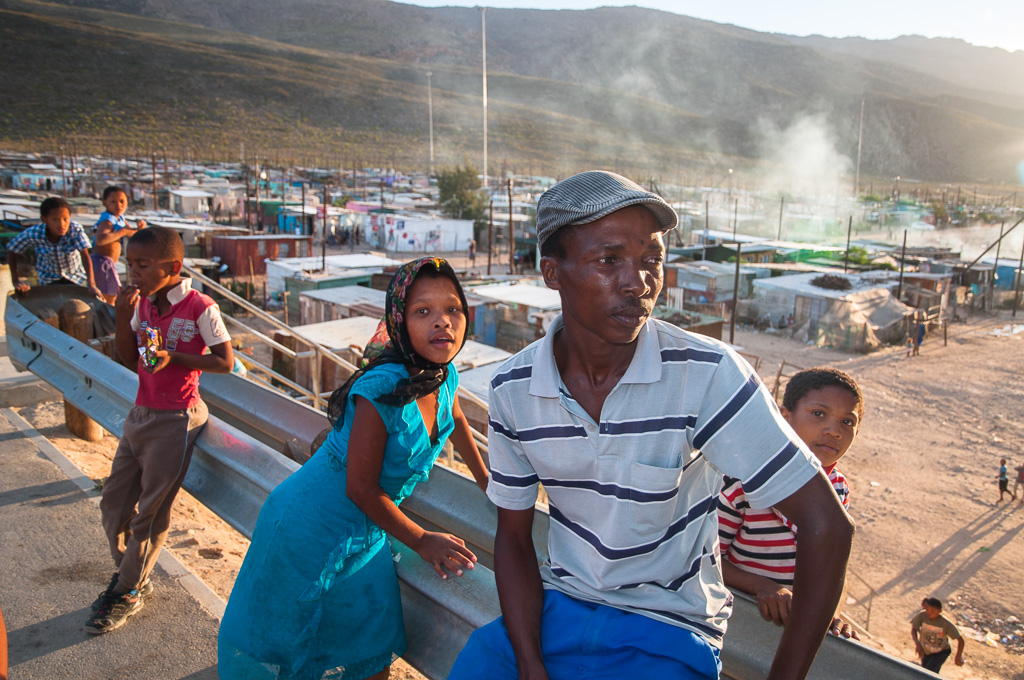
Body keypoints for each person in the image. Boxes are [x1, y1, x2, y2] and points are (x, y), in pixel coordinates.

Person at [448, 171, 855, 680]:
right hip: (558, 609)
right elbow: (512, 535)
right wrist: (530, 664)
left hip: (669, 631)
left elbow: (827, 525)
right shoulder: (513, 388)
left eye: (652, 260)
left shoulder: (707, 375)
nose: (638, 282)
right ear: (553, 272)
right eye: (609, 260)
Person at [219, 257, 489, 680]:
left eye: (453, 309)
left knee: (370, 646)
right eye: (424, 312)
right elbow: (361, 489)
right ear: (399, 319)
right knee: (294, 649)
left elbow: (455, 421)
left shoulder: (442, 374)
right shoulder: (381, 388)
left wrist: (487, 479)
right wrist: (422, 540)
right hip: (310, 526)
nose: (443, 323)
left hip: (366, 533)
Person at [86, 226, 233, 634]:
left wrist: (178, 358)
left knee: (151, 513)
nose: (133, 271)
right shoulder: (144, 305)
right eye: (130, 263)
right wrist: (120, 315)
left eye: (143, 265)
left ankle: (127, 589)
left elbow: (224, 361)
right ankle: (133, 575)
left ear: (173, 267)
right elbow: (130, 358)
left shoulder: (199, 306)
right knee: (113, 504)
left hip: (176, 418)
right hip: (141, 413)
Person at [718, 367, 863, 639]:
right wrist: (763, 586)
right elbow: (704, 558)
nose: (834, 431)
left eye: (847, 422)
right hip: (736, 622)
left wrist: (833, 610)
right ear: (784, 418)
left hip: (793, 630)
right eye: (819, 414)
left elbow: (835, 566)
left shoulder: (839, 488)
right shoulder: (742, 481)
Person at [6, 196, 102, 297]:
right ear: (44, 219)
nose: (61, 224)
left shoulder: (75, 229)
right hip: (48, 280)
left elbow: (85, 255)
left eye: (65, 219)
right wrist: (15, 280)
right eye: (55, 220)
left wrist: (92, 284)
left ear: (70, 216)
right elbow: (12, 249)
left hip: (75, 278)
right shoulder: (35, 233)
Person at [92, 185, 147, 304]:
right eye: (113, 202)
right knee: (109, 297)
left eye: (122, 201)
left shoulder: (120, 218)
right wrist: (123, 231)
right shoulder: (108, 220)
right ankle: (108, 320)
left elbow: (130, 233)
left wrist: (140, 228)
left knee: (113, 293)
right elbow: (100, 239)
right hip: (101, 263)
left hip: (108, 263)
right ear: (104, 203)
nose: (118, 205)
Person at [911, 597, 965, 673]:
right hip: (926, 650)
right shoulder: (922, 616)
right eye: (927, 610)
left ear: (939, 611)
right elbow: (914, 629)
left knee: (927, 673)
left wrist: (958, 657)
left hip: (941, 652)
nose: (929, 613)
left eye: (932, 611)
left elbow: (961, 640)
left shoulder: (944, 623)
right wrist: (918, 644)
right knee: (926, 672)